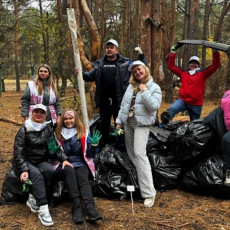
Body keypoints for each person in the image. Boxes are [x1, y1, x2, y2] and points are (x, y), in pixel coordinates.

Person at [75, 39, 146, 149]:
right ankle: (102, 147)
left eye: (112, 47)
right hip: (104, 101)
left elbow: (139, 68)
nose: (109, 49)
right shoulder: (100, 63)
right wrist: (80, 73)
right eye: (107, 47)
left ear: (117, 50)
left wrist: (141, 56)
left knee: (120, 125)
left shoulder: (126, 62)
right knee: (104, 126)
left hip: (120, 101)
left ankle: (122, 147)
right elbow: (90, 76)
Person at [12, 104, 70, 226]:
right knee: (37, 174)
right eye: (36, 112)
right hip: (25, 161)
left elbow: (55, 146)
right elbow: (18, 152)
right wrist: (23, 169)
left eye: (42, 112)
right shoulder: (24, 129)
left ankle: (32, 197)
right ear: (32, 114)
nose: (39, 114)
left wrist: (64, 159)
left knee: (49, 170)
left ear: (45, 115)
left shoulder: (47, 129)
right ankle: (43, 208)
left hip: (40, 161)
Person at [116, 60, 162, 208]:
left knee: (140, 154)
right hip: (129, 123)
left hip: (142, 124)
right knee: (132, 155)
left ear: (145, 70)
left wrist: (145, 91)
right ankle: (141, 182)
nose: (137, 73)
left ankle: (149, 192)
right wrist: (119, 121)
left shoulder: (154, 87)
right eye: (134, 71)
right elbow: (124, 105)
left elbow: (154, 106)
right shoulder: (131, 87)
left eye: (139, 69)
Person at [55, 109, 103, 224]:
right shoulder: (58, 133)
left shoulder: (83, 132)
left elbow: (90, 155)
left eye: (70, 118)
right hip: (65, 163)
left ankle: (90, 208)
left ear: (75, 119)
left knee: (82, 177)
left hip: (81, 163)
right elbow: (56, 153)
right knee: (70, 172)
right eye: (65, 119)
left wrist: (94, 145)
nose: (68, 121)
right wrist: (53, 152)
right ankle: (77, 207)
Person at [161, 47, 220, 127]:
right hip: (183, 100)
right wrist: (173, 53)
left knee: (194, 124)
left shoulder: (203, 74)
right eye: (191, 63)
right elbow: (171, 66)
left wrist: (216, 52)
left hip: (196, 104)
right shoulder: (183, 73)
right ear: (189, 65)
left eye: (195, 63)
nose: (193, 64)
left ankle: (191, 138)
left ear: (198, 65)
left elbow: (215, 66)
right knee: (171, 110)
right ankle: (162, 127)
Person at [221, 90, 230, 186]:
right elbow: (221, 108)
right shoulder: (227, 93)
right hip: (228, 127)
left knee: (227, 140)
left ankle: (229, 169)